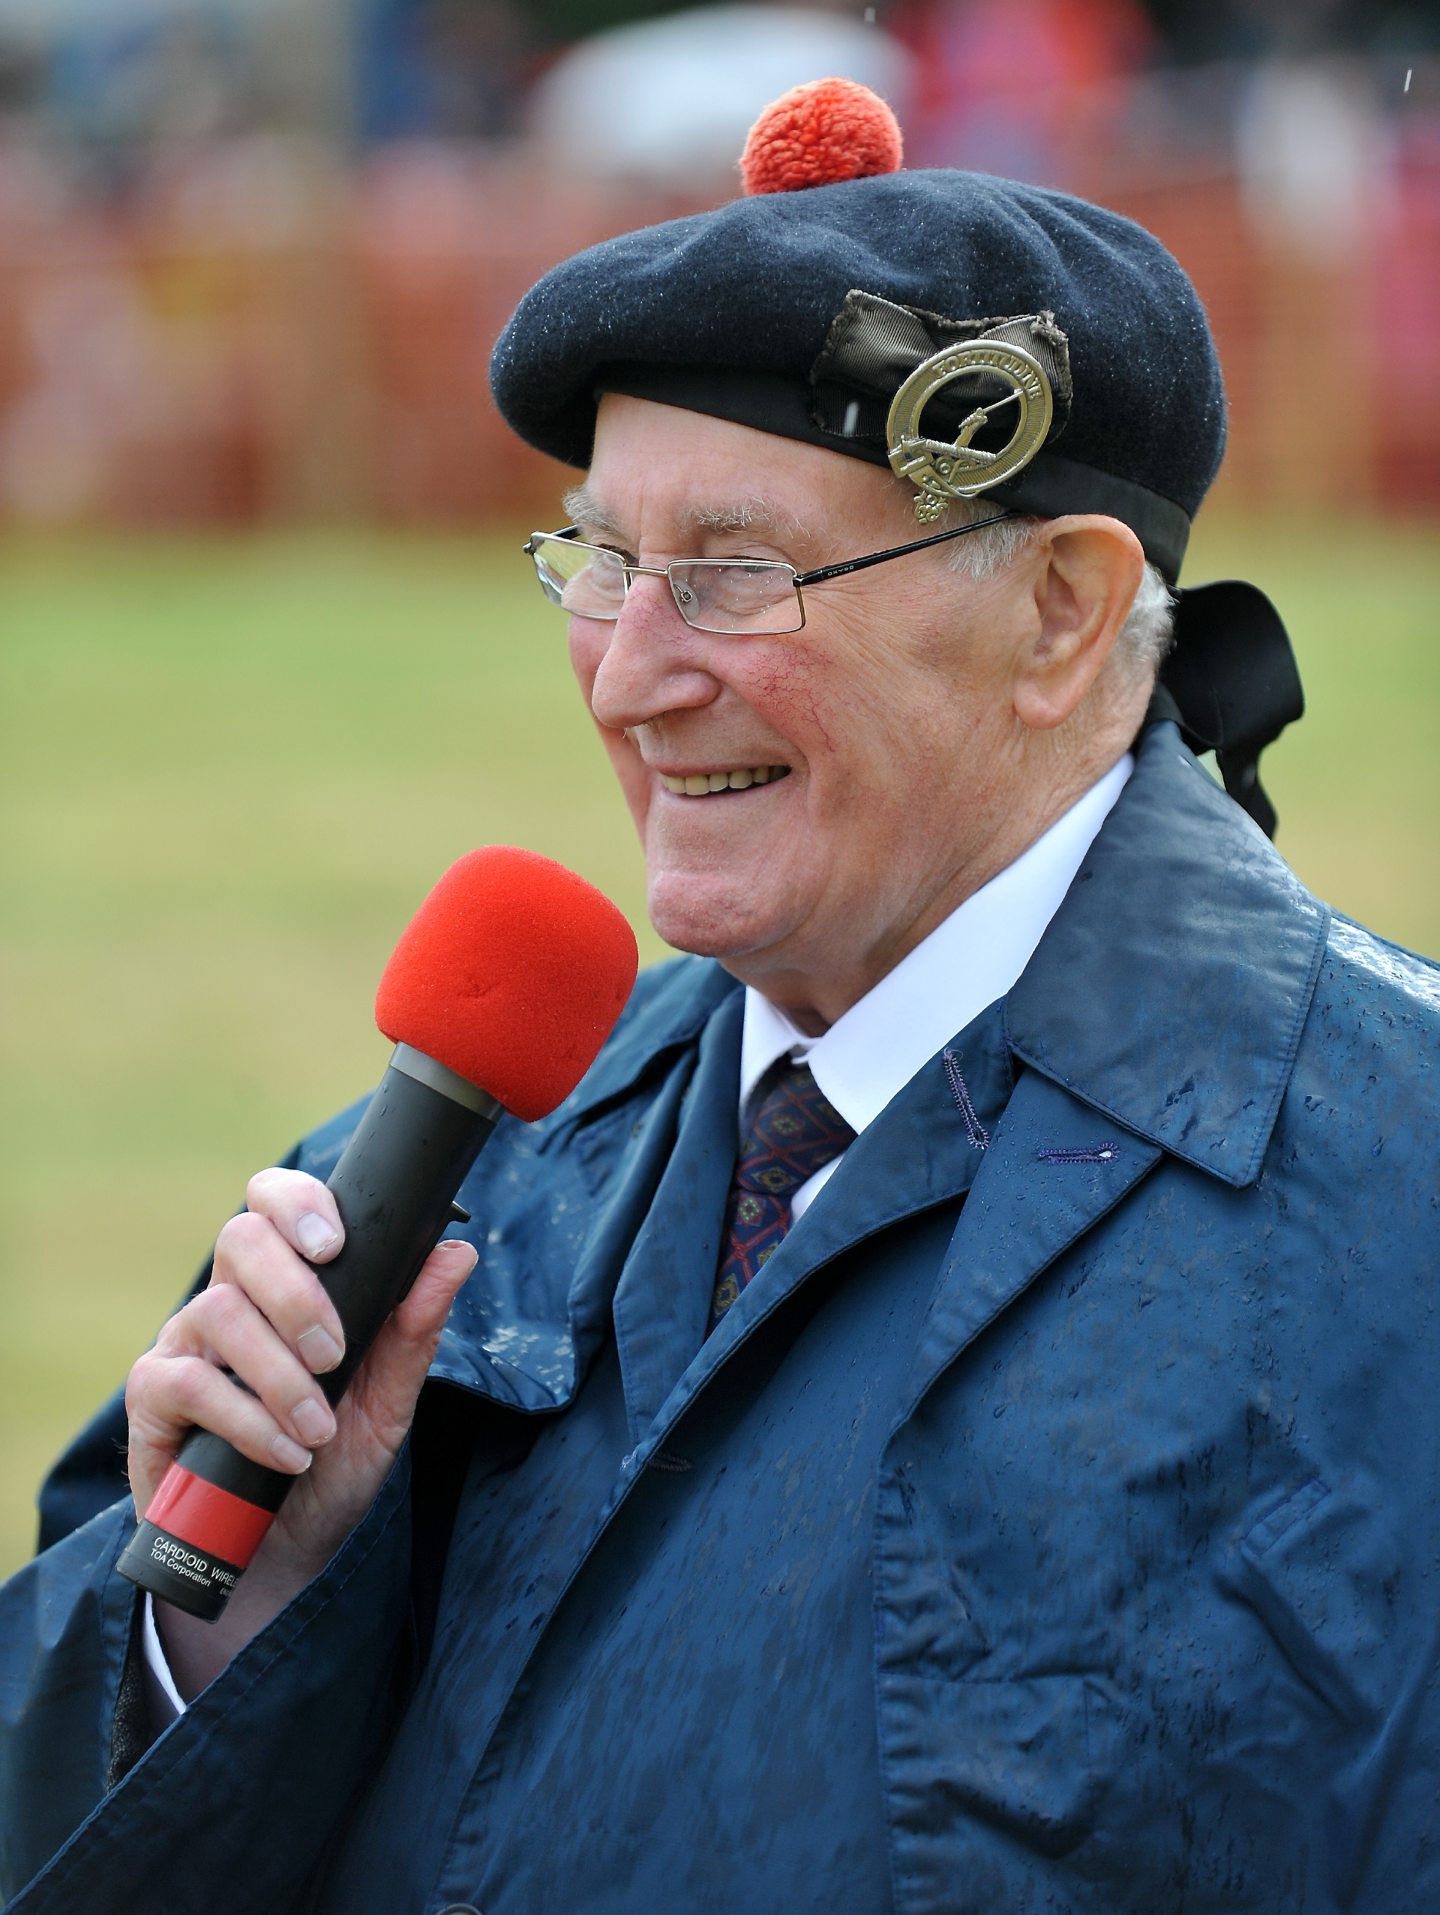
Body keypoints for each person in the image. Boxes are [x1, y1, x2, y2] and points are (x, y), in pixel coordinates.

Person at [3, 80, 1437, 1915]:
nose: (626, 682)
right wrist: (232, 1619)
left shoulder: (1400, 1211)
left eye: (737, 574)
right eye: (603, 561)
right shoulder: (467, 1165)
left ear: (1067, 615)